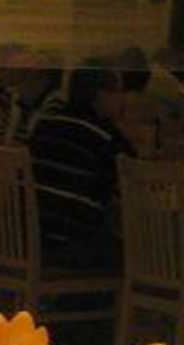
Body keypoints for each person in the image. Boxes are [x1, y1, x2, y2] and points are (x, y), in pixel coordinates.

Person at [26, 58, 131, 271]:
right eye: (119, 92)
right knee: (145, 254)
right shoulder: (103, 137)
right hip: (73, 245)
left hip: (29, 240)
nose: (124, 99)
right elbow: (133, 186)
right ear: (101, 95)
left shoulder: (45, 125)